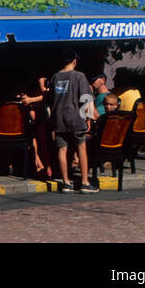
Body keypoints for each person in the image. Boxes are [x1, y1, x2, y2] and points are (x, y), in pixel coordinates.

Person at [39, 48, 98, 193]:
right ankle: (84, 182)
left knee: (62, 149)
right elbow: (85, 99)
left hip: (59, 118)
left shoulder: (55, 77)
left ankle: (66, 182)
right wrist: (88, 118)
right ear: (74, 61)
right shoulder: (79, 76)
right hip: (76, 117)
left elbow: (50, 98)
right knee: (81, 147)